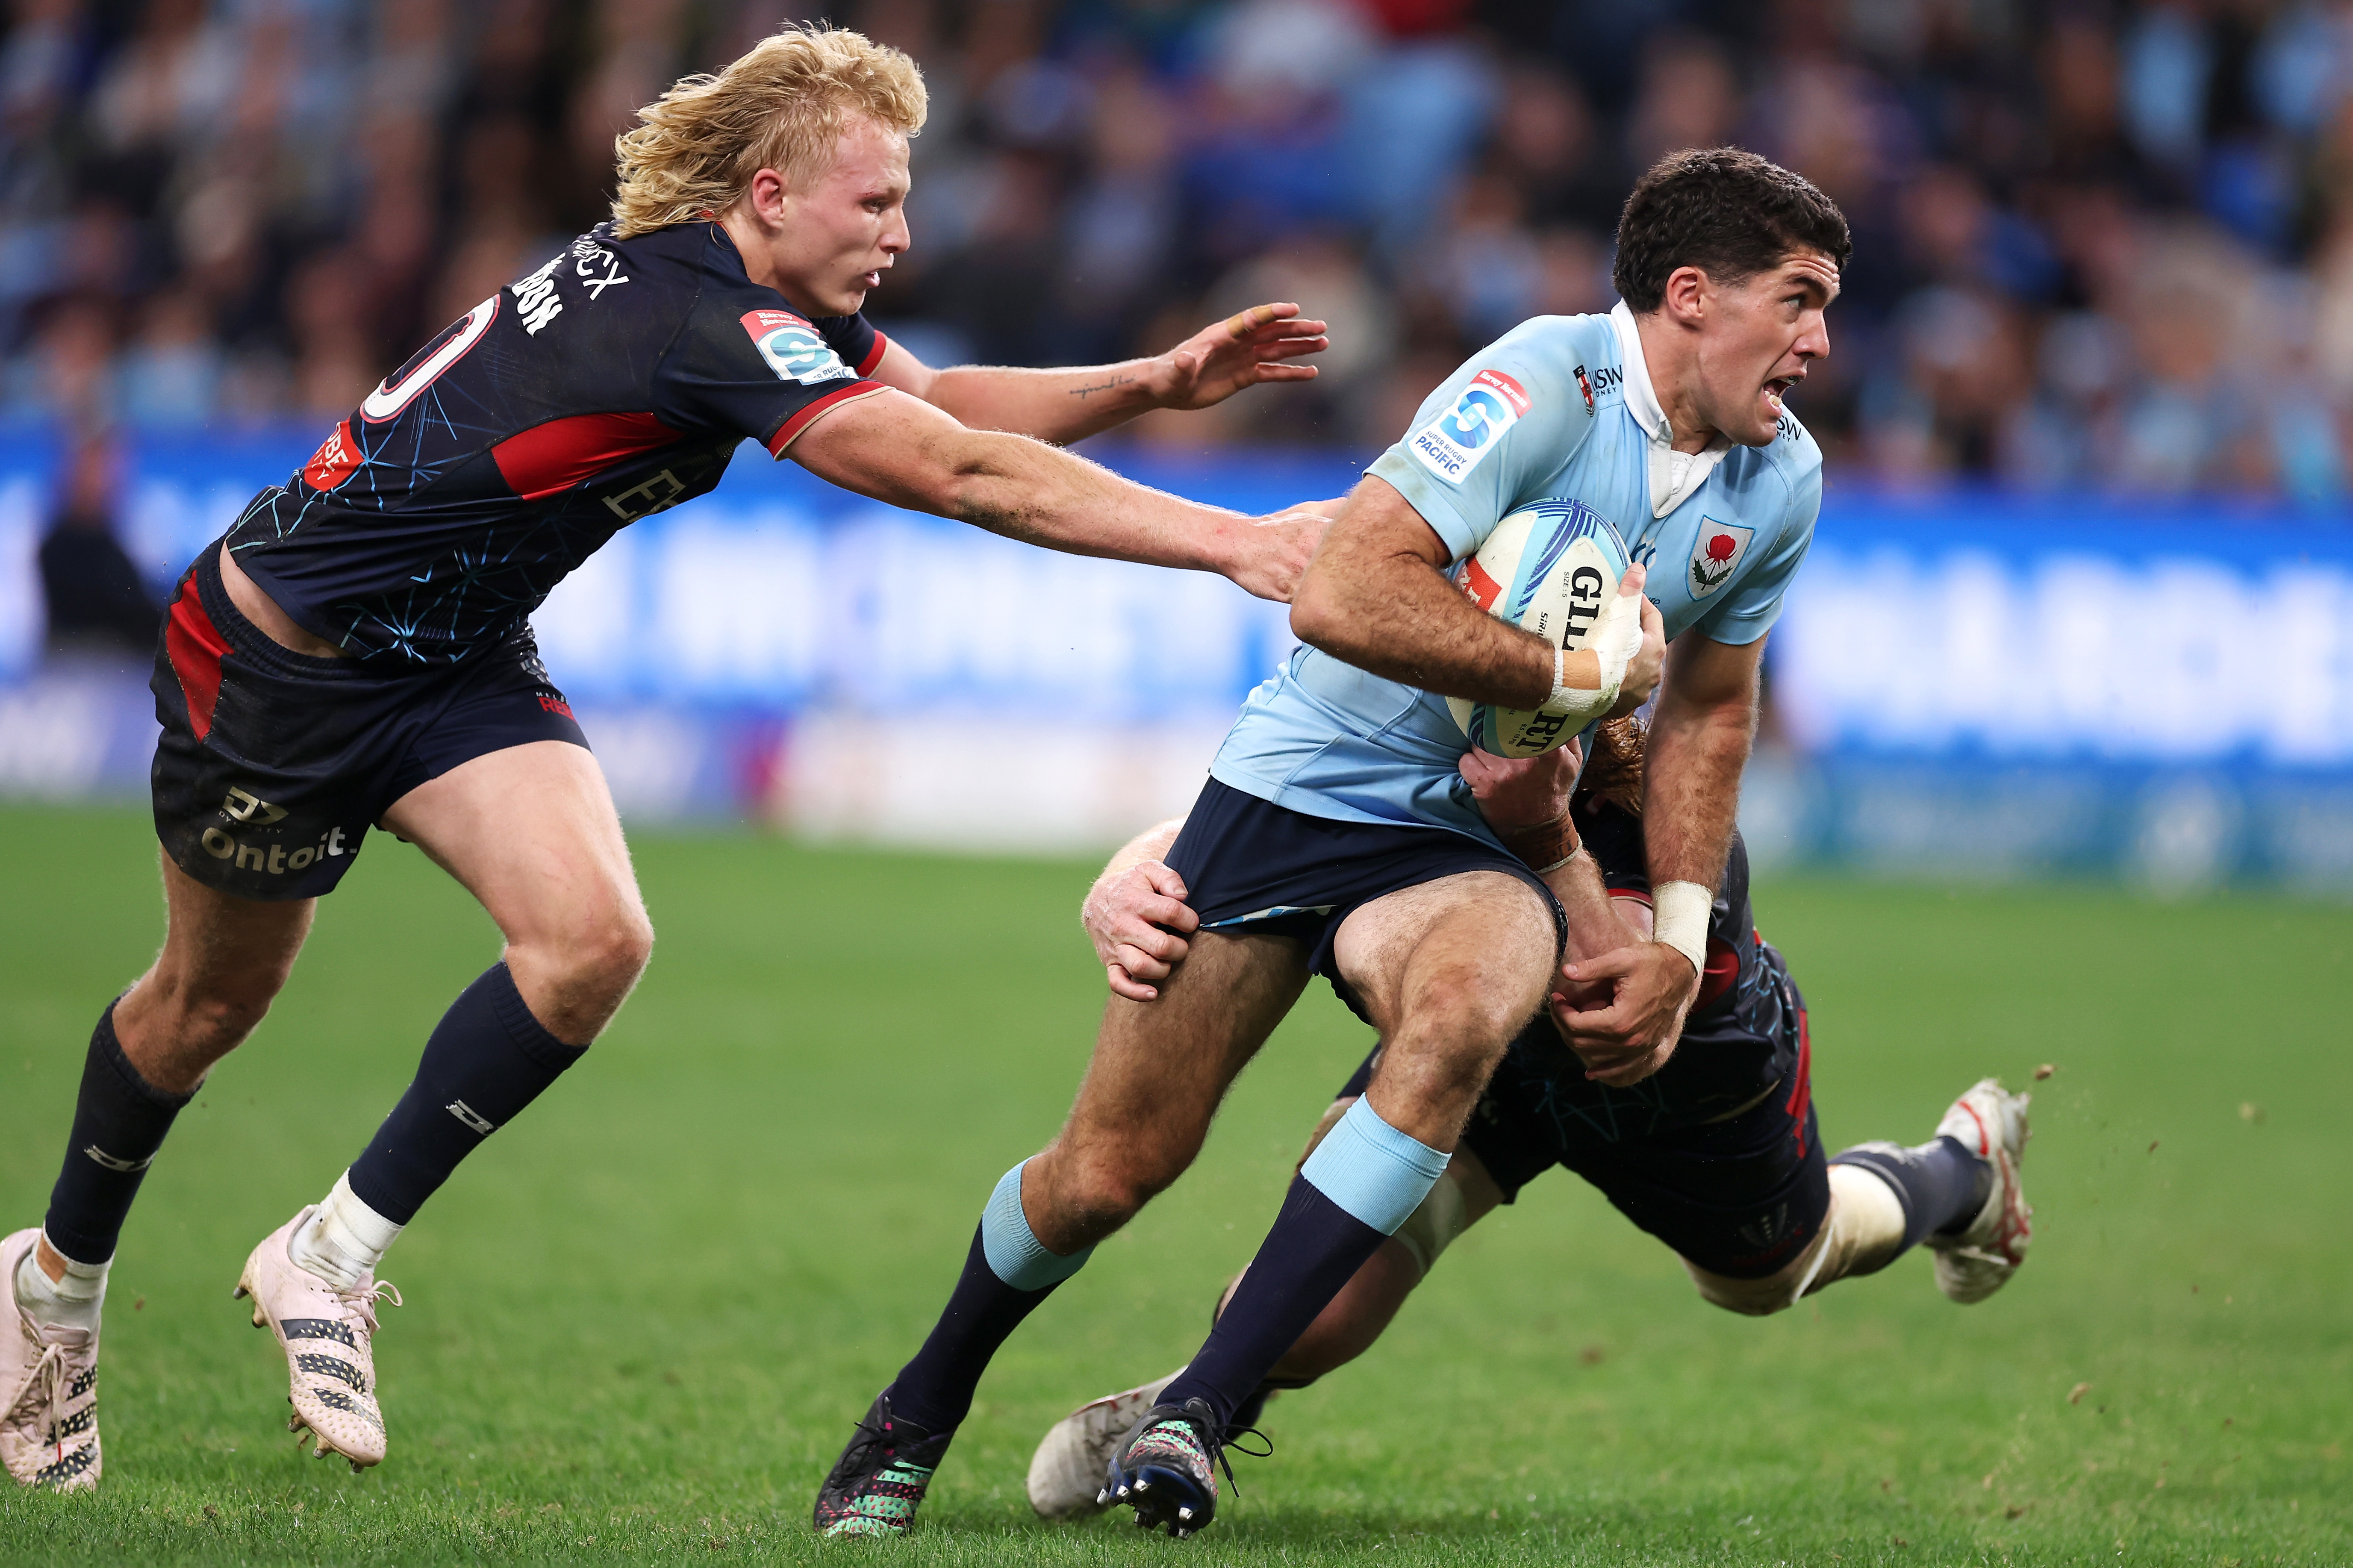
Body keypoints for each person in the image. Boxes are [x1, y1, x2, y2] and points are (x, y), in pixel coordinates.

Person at [0, 24, 1336, 1492]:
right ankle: (52, 1289)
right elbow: (946, 474)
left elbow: (941, 407)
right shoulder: (698, 320)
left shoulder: (729, 291)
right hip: (270, 671)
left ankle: (330, 1252)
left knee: (589, 944)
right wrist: (1234, 541)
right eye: (874, 202)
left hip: (449, 661)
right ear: (768, 194)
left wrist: (1156, 376)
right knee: (203, 1010)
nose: (900, 232)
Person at [815, 145, 1846, 1539]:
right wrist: (1559, 677)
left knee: (1472, 1004)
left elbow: (1712, 716)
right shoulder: (1545, 382)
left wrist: (1668, 927)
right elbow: (1344, 589)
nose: (1818, 342)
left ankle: (1196, 1415)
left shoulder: (1776, 480)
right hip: (1302, 791)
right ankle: (917, 1406)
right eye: (1794, 301)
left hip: (1466, 840)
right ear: (1687, 295)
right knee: (1109, 1171)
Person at [1022, 719, 2034, 1519]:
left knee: (1769, 1275)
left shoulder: (1664, 804)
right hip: (1483, 1045)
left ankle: (1962, 1168)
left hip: (1685, 1077)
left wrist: (1531, 836)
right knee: (1308, 1305)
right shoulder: (1439, 734)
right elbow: (1275, 812)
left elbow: (1611, 1002)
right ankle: (1202, 1403)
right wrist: (1133, 867)